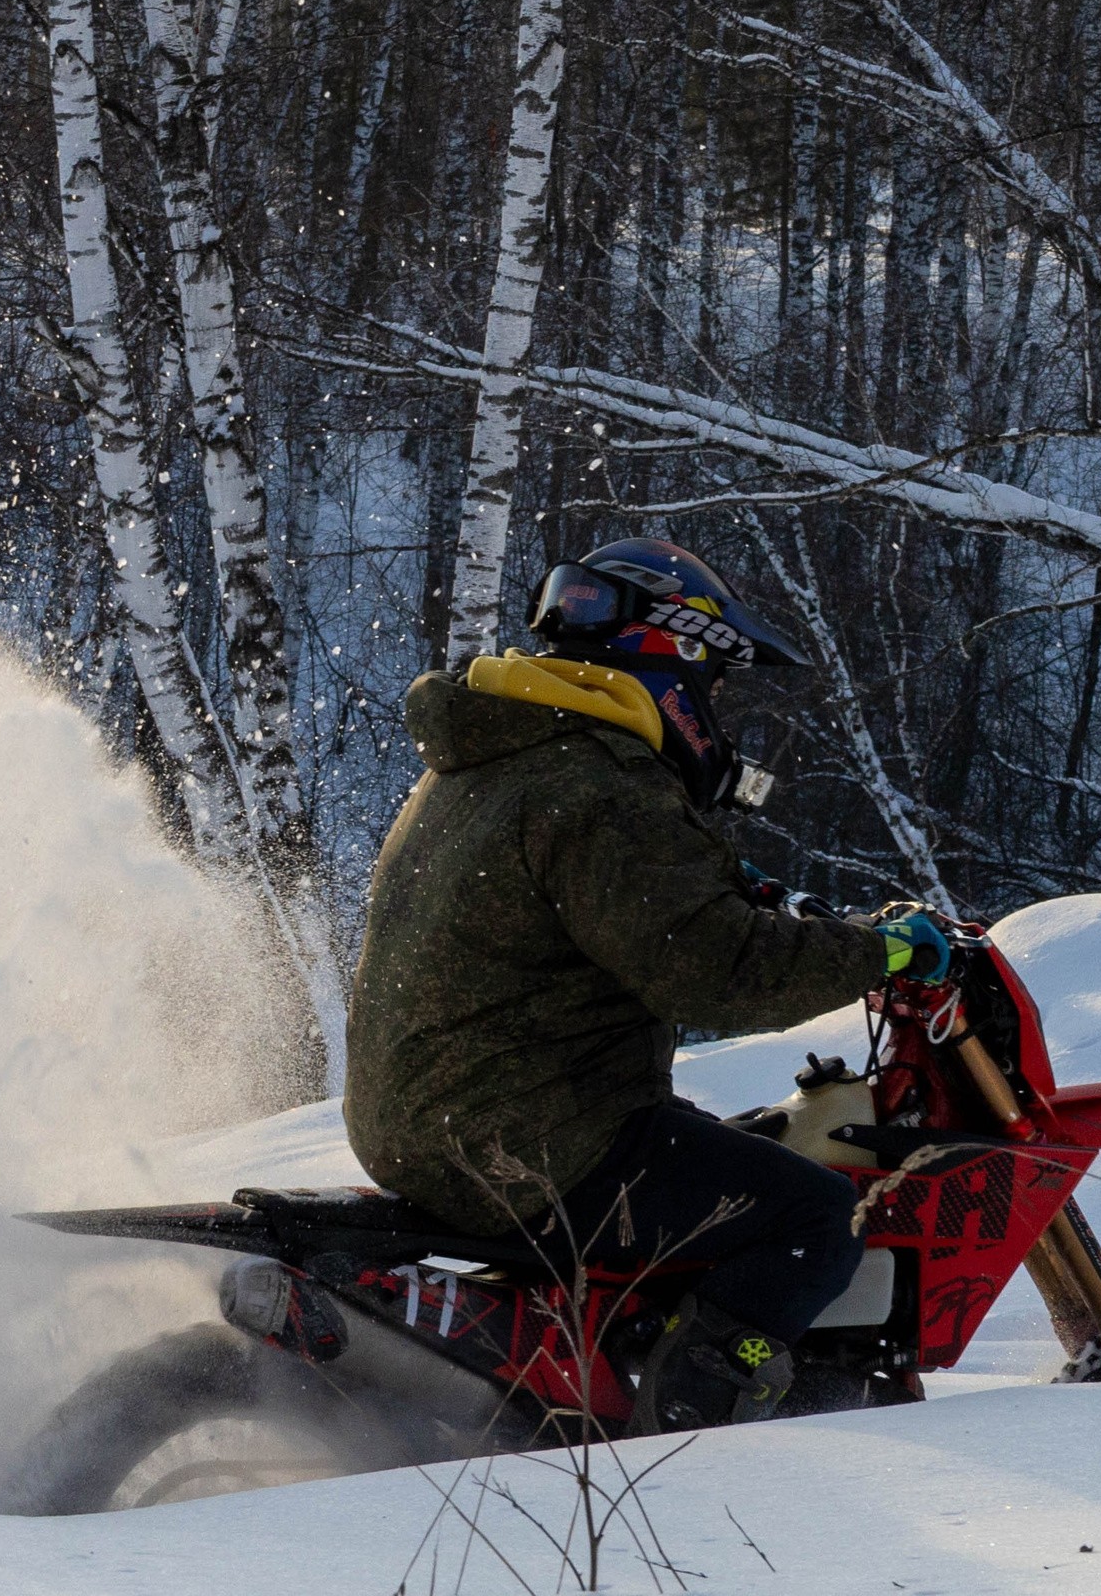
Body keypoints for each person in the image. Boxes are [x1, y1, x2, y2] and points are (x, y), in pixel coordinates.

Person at [342, 535, 953, 1434]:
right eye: (713, 681)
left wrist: (742, 898)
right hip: (528, 1144)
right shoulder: (600, 788)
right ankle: (683, 1443)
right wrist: (882, 951)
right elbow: (719, 973)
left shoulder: (494, 761)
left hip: (437, 1127)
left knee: (719, 1154)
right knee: (814, 1216)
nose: (714, 707)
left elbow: (599, 913)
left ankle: (634, 1364)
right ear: (673, 657)